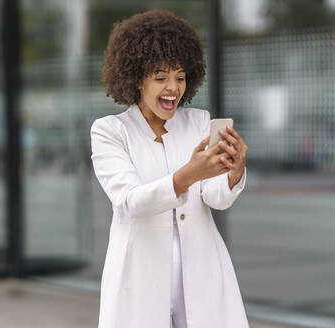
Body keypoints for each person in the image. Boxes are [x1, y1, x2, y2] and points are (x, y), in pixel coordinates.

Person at [90, 9, 249, 328]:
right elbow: (130, 202)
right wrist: (188, 174)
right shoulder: (110, 131)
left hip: (202, 273)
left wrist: (233, 173)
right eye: (160, 77)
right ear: (136, 79)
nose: (173, 88)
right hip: (140, 280)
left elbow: (216, 198)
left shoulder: (199, 122)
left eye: (180, 76)